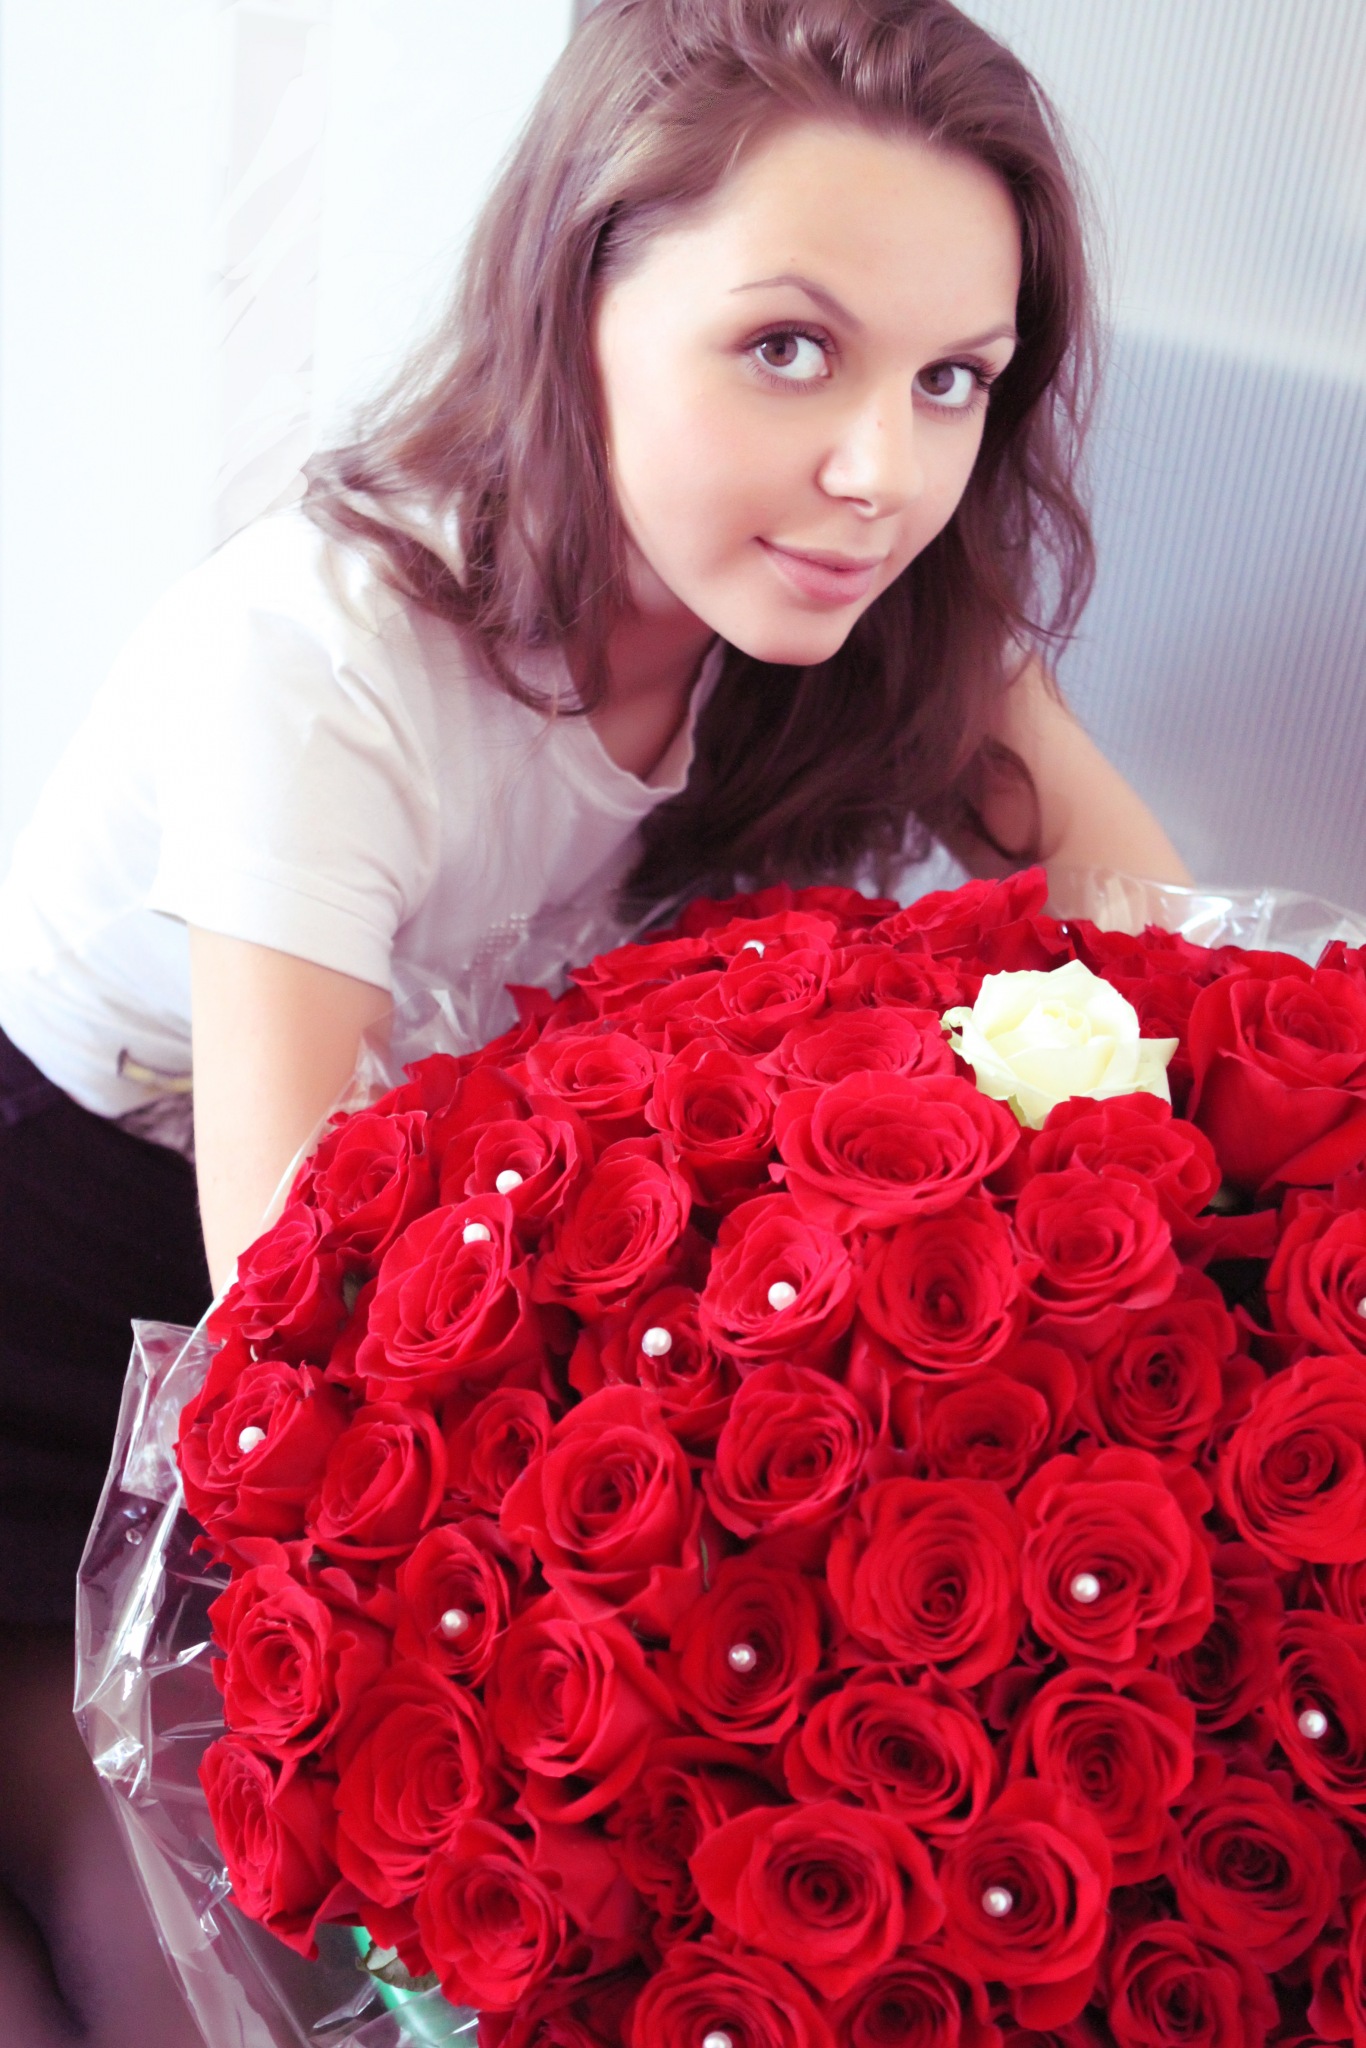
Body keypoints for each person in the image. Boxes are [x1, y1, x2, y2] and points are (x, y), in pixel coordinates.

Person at [0, 0, 1190, 2038]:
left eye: (952, 380)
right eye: (788, 347)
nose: (878, 469)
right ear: (573, 307)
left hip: (321, 1371)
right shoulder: (323, 659)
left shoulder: (840, 601)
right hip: (82, 1310)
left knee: (260, 1978)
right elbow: (288, 1306)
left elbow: (1168, 962)